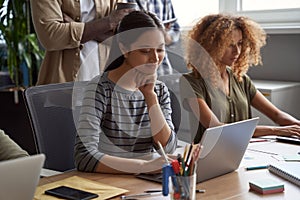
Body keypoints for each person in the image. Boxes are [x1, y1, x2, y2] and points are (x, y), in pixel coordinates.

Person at [74, 11, 177, 174]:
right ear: (124, 49)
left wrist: (150, 98)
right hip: (110, 183)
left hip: (145, 185)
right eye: (145, 51)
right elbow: (84, 157)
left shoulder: (159, 90)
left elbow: (168, 147)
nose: (155, 58)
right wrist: (143, 167)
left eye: (160, 50)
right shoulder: (100, 88)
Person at [180, 14, 300, 143]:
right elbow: (217, 128)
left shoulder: (240, 79)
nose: (237, 51)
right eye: (229, 45)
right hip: (209, 157)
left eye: (240, 43)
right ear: (211, 46)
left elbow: (276, 115)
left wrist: (296, 125)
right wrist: (275, 131)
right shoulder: (191, 82)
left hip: (247, 153)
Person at [30, 0, 133, 85]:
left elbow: (123, 37)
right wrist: (108, 22)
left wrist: (75, 25)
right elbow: (51, 36)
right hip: (63, 85)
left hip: (105, 84)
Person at [127, 0, 181, 76]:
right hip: (133, 73)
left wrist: (163, 34)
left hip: (163, 71)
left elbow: (175, 31)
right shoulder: (120, 2)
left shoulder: (164, 1)